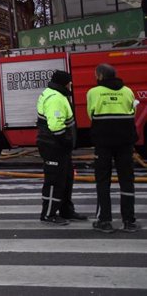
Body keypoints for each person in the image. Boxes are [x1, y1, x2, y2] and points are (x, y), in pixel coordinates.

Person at [87, 63, 140, 233]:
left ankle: (105, 221)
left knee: (103, 181)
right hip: (125, 143)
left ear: (100, 76)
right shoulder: (128, 91)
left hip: (103, 143)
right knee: (127, 181)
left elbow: (91, 114)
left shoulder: (94, 93)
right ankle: (129, 221)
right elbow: (132, 112)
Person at [36, 70, 87, 225]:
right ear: (64, 83)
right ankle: (48, 214)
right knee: (54, 180)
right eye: (69, 82)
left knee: (66, 178)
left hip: (57, 146)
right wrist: (65, 141)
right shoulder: (55, 98)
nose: (71, 85)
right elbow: (56, 125)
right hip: (54, 146)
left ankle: (66, 210)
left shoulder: (55, 94)